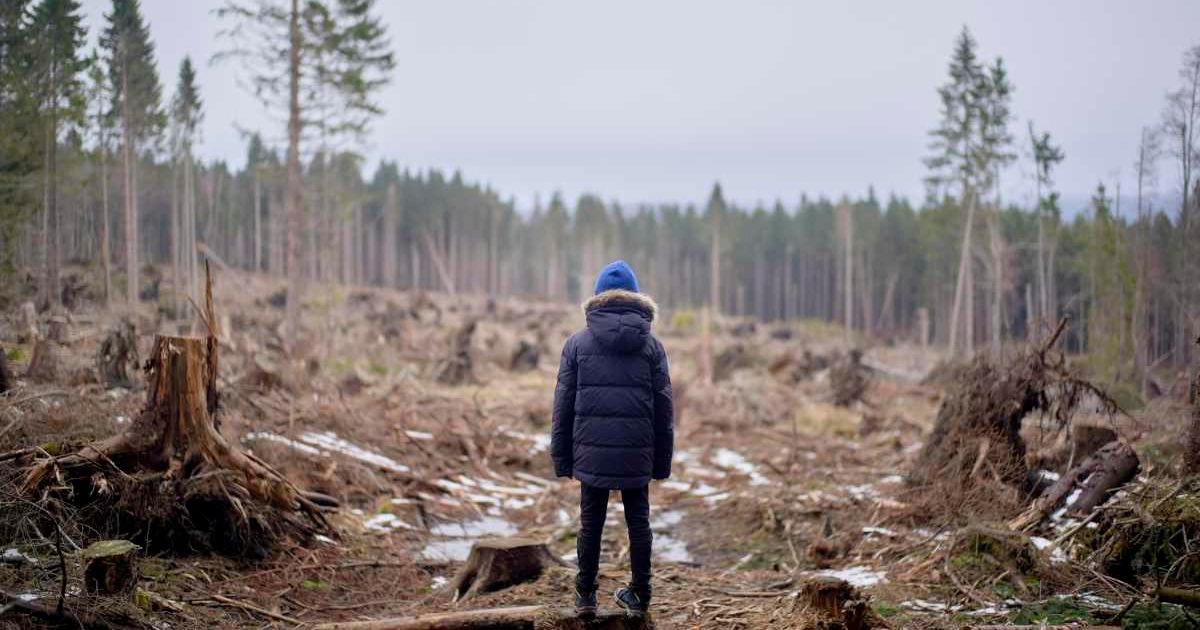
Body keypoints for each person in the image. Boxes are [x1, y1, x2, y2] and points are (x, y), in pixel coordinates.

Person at [550, 260, 674, 619]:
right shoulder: (653, 347)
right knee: (639, 522)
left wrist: (562, 459)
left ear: (597, 298)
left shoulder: (576, 344)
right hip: (638, 453)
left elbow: (563, 407)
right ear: (636, 298)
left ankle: (585, 595)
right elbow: (664, 413)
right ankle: (641, 595)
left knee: (591, 522)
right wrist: (661, 463)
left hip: (591, 452)